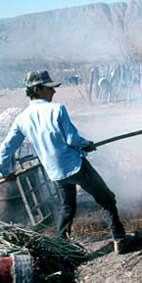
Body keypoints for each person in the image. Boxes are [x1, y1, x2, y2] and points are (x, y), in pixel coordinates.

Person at [0, 70, 126, 252]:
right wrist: (87, 144)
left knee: (67, 208)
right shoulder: (57, 109)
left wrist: (6, 173)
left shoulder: (22, 119)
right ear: (37, 89)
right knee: (107, 198)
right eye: (50, 88)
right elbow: (72, 140)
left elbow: (5, 149)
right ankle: (119, 239)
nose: (54, 92)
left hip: (55, 173)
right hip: (75, 167)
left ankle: (61, 247)